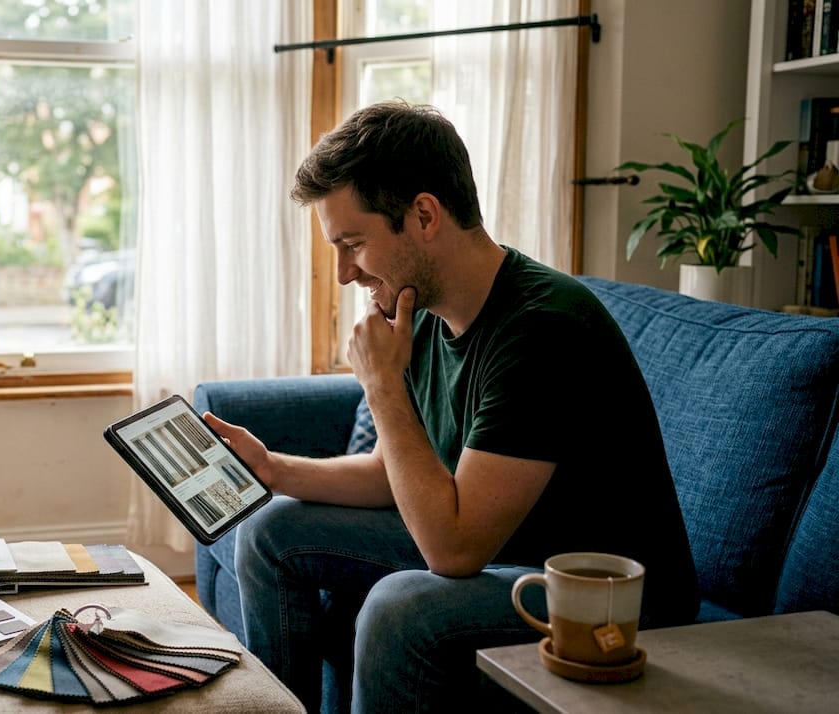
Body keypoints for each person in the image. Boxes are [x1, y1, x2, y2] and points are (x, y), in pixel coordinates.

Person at [202, 101, 698, 713]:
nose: (343, 273)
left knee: (400, 607)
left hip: (607, 598)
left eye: (354, 243)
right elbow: (397, 474)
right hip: (506, 549)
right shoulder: (428, 312)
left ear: (425, 215)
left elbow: (454, 550)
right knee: (267, 528)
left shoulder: (542, 328)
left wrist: (383, 386)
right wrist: (273, 469)